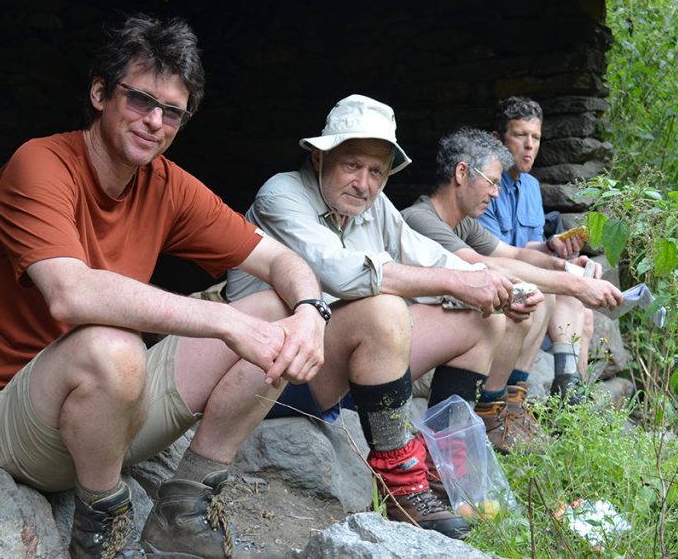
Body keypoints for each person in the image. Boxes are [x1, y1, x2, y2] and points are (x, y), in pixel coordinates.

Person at [0, 14, 328, 559]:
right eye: (140, 100)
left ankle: (186, 503)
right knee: (113, 346)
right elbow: (71, 294)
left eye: (172, 111)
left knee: (274, 309)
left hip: (105, 415)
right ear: (100, 93)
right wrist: (225, 320)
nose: (154, 121)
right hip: (9, 418)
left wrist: (312, 312)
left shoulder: (166, 184)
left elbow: (279, 259)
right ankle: (103, 526)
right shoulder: (39, 165)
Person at [225, 95, 542, 539]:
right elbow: (343, 273)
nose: (364, 183)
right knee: (382, 308)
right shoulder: (281, 194)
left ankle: (443, 469)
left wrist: (494, 286)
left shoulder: (374, 205)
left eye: (376, 171)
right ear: (319, 156)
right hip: (268, 371)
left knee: (482, 319)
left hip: (336, 363)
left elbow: (426, 253)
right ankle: (402, 483)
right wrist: (456, 284)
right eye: (351, 164)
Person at [403, 127, 623, 447]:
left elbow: (516, 254)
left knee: (537, 293)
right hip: (420, 358)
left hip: (447, 348)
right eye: (492, 182)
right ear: (462, 173)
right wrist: (574, 286)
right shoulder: (419, 219)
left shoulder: (462, 223)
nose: (496, 193)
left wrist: (564, 266)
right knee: (514, 301)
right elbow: (485, 266)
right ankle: (488, 411)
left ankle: (507, 407)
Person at [478, 95, 616, 401]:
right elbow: (492, 253)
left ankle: (570, 400)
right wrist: (555, 264)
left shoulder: (530, 187)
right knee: (562, 290)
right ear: (497, 139)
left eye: (536, 137)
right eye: (520, 135)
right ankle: (561, 397)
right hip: (496, 282)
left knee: (582, 307)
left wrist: (554, 247)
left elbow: (528, 247)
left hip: (528, 278)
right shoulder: (484, 186)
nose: (530, 146)